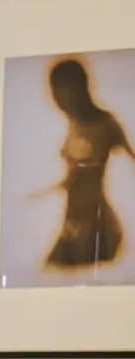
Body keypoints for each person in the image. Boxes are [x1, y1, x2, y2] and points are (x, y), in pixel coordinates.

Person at [44, 57, 134, 272]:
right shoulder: (75, 123)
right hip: (73, 225)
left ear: (75, 89)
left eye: (58, 91)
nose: (54, 98)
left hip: (95, 230)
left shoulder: (105, 124)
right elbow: (78, 173)